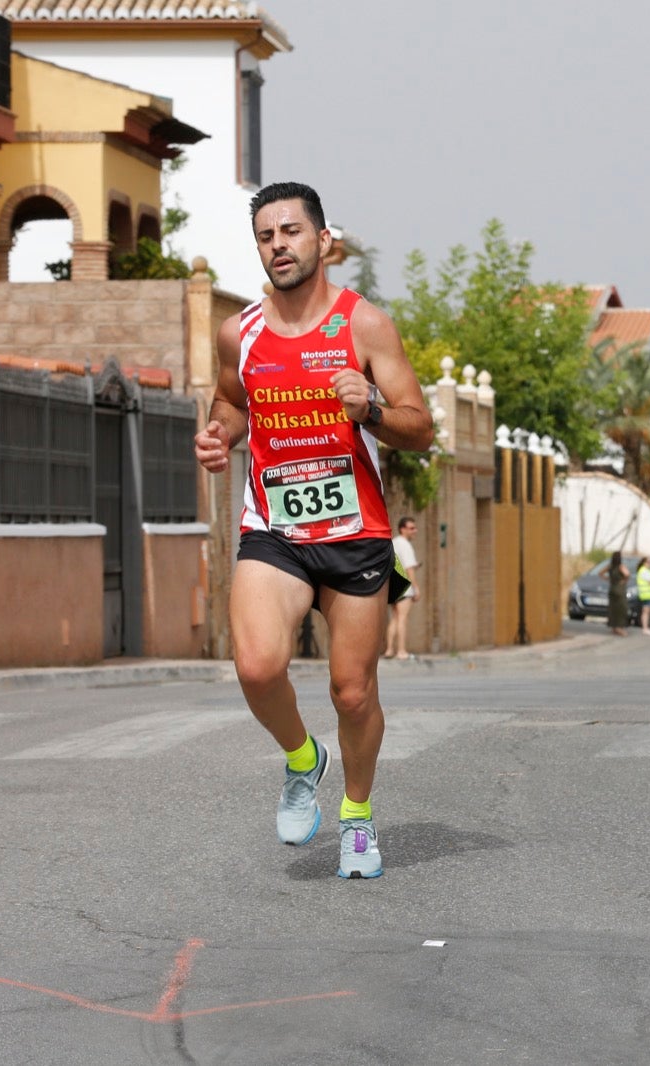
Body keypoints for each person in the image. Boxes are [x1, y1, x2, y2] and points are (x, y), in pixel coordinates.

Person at [193, 181, 434, 881]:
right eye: (267, 236)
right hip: (275, 525)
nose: (279, 246)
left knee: (352, 692)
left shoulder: (364, 326)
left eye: (291, 232)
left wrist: (374, 412)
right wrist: (219, 435)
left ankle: (357, 817)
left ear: (323, 241)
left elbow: (421, 426)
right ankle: (303, 759)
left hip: (356, 531)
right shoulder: (239, 332)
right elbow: (231, 404)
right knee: (257, 665)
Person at [386, 516, 419, 660]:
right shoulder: (405, 545)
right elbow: (409, 568)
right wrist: (416, 587)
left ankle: (389, 650)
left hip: (393, 586)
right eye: (411, 528)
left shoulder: (393, 543)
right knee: (402, 618)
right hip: (405, 587)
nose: (415, 531)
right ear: (402, 529)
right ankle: (401, 651)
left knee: (394, 618)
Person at [606, 550, 630, 636]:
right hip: (620, 590)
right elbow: (627, 574)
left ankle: (613, 627)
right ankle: (620, 628)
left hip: (612, 588)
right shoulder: (621, 566)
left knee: (613, 609)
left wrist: (608, 579)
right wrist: (624, 580)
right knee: (621, 609)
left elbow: (600, 573)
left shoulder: (610, 566)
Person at [636, 556, 650, 634]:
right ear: (644, 563)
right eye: (648, 562)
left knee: (646, 612)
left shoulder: (646, 570)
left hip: (648, 594)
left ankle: (646, 627)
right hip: (646, 594)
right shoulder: (644, 571)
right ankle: (645, 628)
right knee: (646, 612)